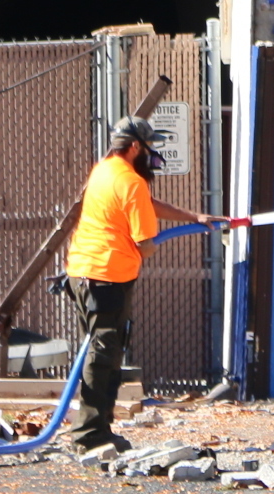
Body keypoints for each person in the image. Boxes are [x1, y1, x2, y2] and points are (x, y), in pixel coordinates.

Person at [62, 117, 240, 456]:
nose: (152, 154)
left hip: (84, 273)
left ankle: (97, 429)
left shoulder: (105, 170)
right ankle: (89, 435)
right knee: (104, 354)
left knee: (102, 350)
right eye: (148, 147)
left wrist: (194, 218)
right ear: (134, 147)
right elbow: (145, 241)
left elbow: (146, 206)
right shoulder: (130, 181)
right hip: (106, 276)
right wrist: (151, 246)